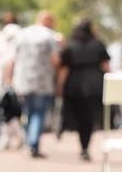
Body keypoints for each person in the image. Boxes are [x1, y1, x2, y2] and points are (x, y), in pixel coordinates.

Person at [8, 12, 61, 158]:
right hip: (43, 82)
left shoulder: (22, 34)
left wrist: (10, 77)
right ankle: (33, 143)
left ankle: (30, 140)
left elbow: (12, 59)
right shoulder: (50, 36)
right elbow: (55, 60)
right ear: (49, 22)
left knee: (27, 112)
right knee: (38, 113)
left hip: (23, 80)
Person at [59, 19, 111, 161]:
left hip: (74, 85)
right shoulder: (98, 45)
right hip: (94, 85)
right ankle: (85, 147)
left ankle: (82, 145)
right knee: (88, 119)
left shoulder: (70, 46)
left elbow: (63, 69)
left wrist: (60, 87)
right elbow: (106, 66)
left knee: (78, 116)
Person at [0, 12, 22, 149]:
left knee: (2, 110)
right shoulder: (21, 34)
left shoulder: (0, 36)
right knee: (13, 111)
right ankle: (16, 137)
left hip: (2, 80)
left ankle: (5, 138)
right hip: (17, 79)